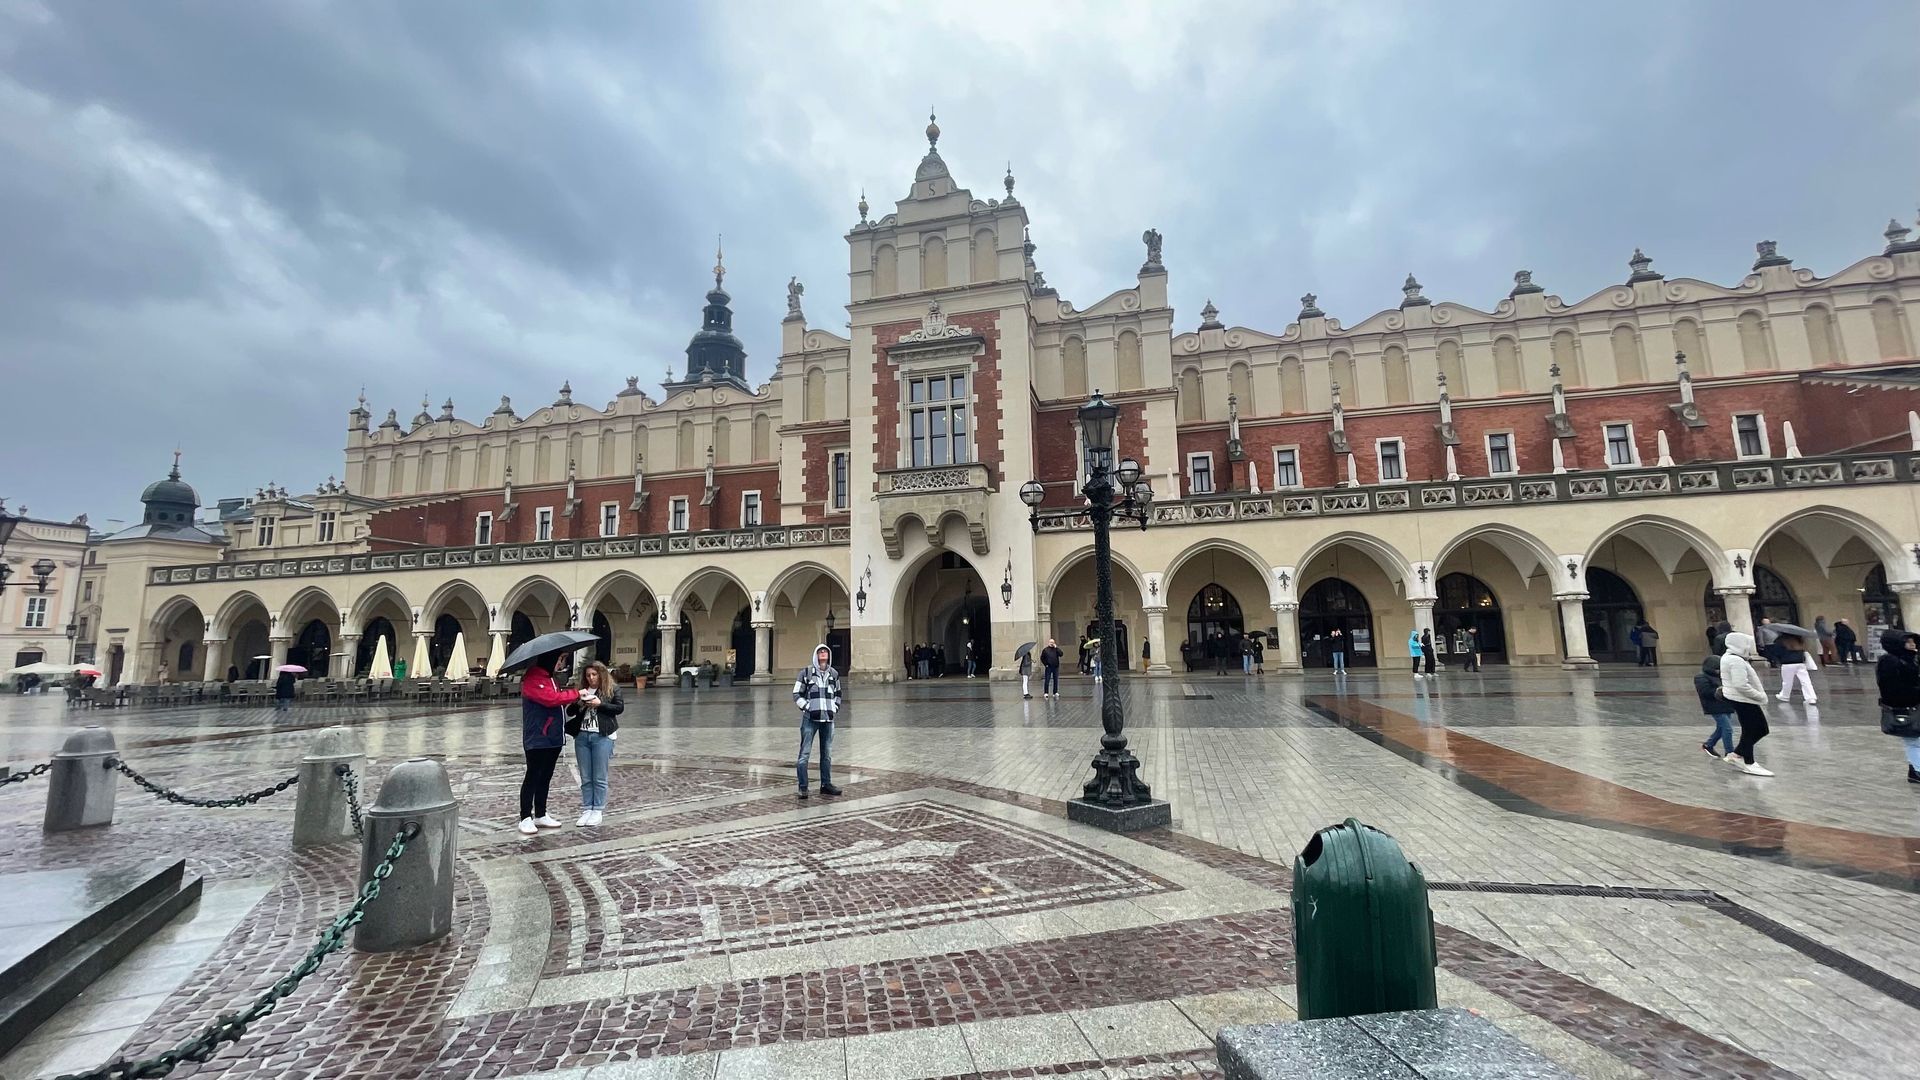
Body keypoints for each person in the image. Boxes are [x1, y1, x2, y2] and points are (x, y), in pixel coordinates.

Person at [518, 653, 584, 834]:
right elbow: (550, 699)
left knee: (545, 776)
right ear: (549, 660)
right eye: (559, 659)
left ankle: (540, 813)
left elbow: (556, 698)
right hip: (538, 736)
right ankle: (525, 817)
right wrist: (576, 693)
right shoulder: (533, 678)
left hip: (553, 736)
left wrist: (572, 698)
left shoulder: (550, 678)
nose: (561, 663)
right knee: (533, 776)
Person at [567, 661, 624, 827]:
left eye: (594, 674)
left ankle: (597, 809)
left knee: (599, 776)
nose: (591, 678)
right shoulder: (583, 691)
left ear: (601, 674)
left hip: (602, 736)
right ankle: (587, 808)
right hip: (582, 736)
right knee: (585, 776)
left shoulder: (612, 689)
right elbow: (569, 712)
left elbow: (619, 708)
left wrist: (600, 704)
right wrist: (579, 701)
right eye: (588, 675)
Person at [1717, 631, 1773, 776]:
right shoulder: (1735, 660)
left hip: (1739, 697)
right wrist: (1759, 696)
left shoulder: (1731, 658)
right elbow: (1740, 685)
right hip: (1742, 698)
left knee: (1755, 729)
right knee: (1756, 728)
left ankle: (1738, 755)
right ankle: (1747, 760)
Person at [792, 643, 843, 799]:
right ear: (816, 655)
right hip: (810, 719)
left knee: (826, 754)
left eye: (825, 652)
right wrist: (807, 707)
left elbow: (838, 694)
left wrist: (834, 708)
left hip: (828, 719)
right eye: (820, 652)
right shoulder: (806, 673)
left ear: (828, 656)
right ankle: (803, 787)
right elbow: (796, 693)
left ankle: (826, 785)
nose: (822, 654)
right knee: (804, 754)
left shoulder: (833, 674)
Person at [1873, 630, 1920, 785]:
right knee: (1913, 740)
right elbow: (1892, 688)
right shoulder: (1889, 662)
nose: (1912, 644)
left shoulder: (1911, 658)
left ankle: (1914, 769)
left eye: (1913, 641)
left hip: (1914, 705)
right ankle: (1918, 771)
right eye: (1908, 642)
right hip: (1905, 708)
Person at [1695, 652, 1736, 759]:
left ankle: (1709, 745)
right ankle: (1729, 752)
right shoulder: (1701, 677)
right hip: (1714, 706)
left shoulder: (1722, 676)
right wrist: (1721, 690)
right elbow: (1705, 692)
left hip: (1726, 704)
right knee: (1727, 728)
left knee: (1721, 728)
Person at [1774, 633, 1817, 704]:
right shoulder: (1799, 639)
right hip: (1800, 662)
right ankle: (1811, 698)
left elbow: (1776, 652)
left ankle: (1785, 696)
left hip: (1787, 663)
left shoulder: (1781, 640)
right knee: (1806, 681)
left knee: (1787, 682)